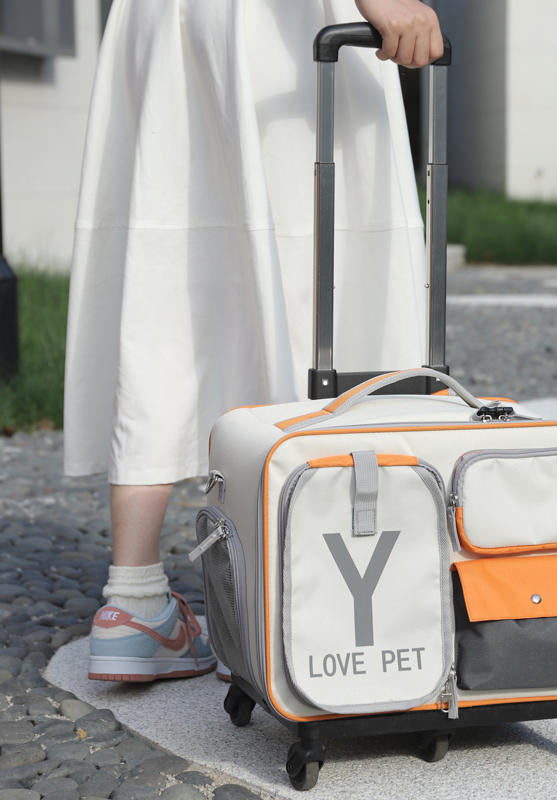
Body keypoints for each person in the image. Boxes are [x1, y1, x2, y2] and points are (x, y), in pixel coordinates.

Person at [63, 0, 444, 681]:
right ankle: (305, 599)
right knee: (318, 264)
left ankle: (135, 600)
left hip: (162, 19)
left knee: (170, 270)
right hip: (281, 23)